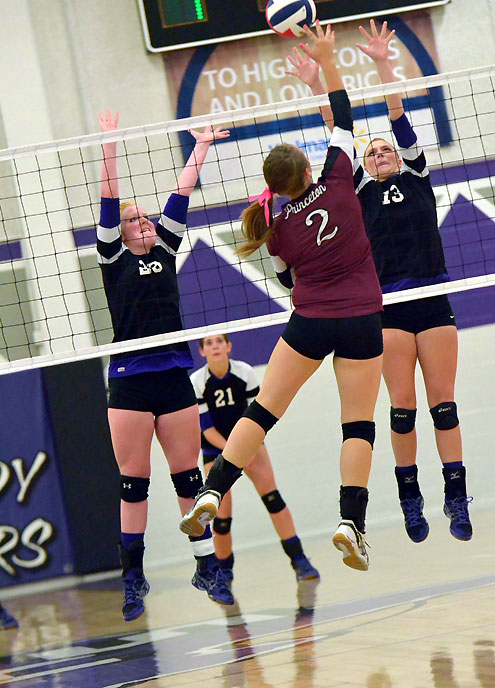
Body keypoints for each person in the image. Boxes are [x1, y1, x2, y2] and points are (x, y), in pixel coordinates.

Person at [179, 21, 384, 572]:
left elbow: (289, 282)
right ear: (309, 170)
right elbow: (343, 116)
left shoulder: (274, 225)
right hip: (362, 320)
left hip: (310, 321)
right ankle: (351, 523)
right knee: (358, 425)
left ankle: (211, 490)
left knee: (263, 410)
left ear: (273, 186)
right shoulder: (338, 180)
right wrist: (326, 62)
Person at [288, 19, 472, 543]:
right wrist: (317, 84)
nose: (379, 153)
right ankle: (410, 500)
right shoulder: (358, 193)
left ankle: (456, 497)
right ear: (364, 166)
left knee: (444, 406)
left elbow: (397, 114)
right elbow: (338, 134)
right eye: (371, 153)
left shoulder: (417, 177)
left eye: (385, 149)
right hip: (387, 307)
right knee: (402, 410)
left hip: (432, 299)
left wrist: (385, 64)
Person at [97, 111, 234, 620]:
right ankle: (132, 579)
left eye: (146, 217)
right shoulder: (113, 257)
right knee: (134, 482)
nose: (145, 222)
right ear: (119, 233)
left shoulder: (168, 245)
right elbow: (108, 199)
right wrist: (109, 144)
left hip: (174, 375)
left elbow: (182, 193)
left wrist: (200, 145)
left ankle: (208, 567)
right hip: (130, 381)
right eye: (135, 220)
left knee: (188, 479)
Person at [190, 333, 320, 583]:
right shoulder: (197, 381)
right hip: (216, 450)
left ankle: (300, 560)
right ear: (202, 352)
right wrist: (235, 453)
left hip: (251, 442)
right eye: (209, 343)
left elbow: (259, 417)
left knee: (273, 499)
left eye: (219, 341)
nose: (215, 346)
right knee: (222, 518)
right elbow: (206, 430)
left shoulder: (245, 372)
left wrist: (246, 449)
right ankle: (224, 573)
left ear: (228, 346)